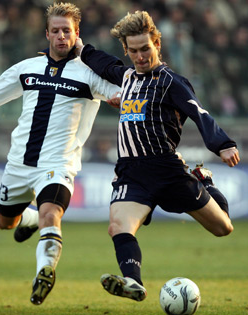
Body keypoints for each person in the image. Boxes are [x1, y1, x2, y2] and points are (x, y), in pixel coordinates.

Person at [0, 2, 120, 305]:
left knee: (51, 214)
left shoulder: (89, 75)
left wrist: (120, 98)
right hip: (19, 164)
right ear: (46, 34)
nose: (61, 36)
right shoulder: (28, 69)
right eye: (56, 31)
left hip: (57, 165)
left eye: (67, 31)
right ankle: (28, 220)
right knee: (5, 222)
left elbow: (119, 90)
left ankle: (44, 271)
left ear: (77, 33)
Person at [75, 10, 240, 302]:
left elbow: (198, 113)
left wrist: (223, 143)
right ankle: (133, 282)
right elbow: (103, 63)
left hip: (167, 169)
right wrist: (79, 47)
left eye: (145, 49)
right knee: (118, 226)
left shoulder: (171, 82)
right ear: (127, 50)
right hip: (132, 172)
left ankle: (206, 183)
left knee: (223, 227)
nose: (140, 56)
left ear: (157, 45)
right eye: (134, 51)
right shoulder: (126, 77)